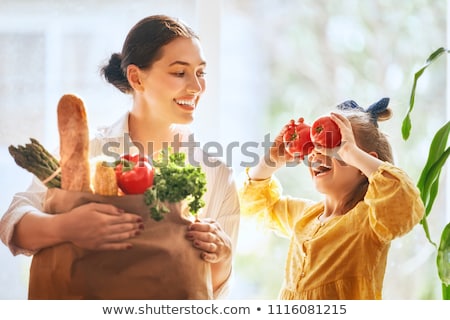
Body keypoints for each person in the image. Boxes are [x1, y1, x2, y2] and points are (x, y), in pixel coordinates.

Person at [0, 15, 240, 299]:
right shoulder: (91, 150)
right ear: (137, 78)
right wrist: (66, 227)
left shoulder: (216, 173)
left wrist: (222, 258)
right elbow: (13, 222)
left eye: (201, 72)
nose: (197, 87)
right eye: (180, 73)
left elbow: (208, 292)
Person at [239, 98, 424, 299]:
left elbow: (404, 200)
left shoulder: (369, 223)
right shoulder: (305, 216)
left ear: (363, 166)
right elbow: (254, 206)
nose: (317, 154)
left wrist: (350, 152)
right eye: (314, 146)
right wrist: (271, 161)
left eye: (334, 145)